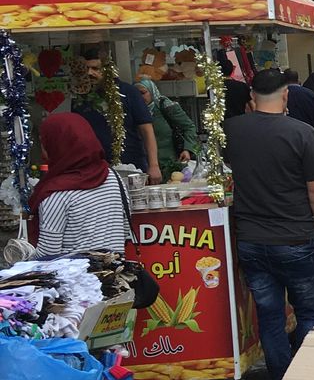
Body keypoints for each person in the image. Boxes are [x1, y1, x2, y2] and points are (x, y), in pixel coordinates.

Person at [224, 69, 314, 380]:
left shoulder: (231, 130)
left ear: (252, 96)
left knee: (269, 318)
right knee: (309, 313)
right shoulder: (302, 133)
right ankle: (309, 379)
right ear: (286, 95)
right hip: (297, 237)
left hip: (252, 240)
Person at [30, 112, 131, 254]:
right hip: (114, 266)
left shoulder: (56, 193)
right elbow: (125, 228)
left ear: (55, 145)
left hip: (73, 268)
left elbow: (48, 253)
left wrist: (22, 259)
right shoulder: (114, 177)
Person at [77, 44, 161, 184]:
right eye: (86, 69)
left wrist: (154, 165)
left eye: (95, 68)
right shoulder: (82, 98)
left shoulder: (128, 92)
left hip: (132, 166)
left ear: (108, 69)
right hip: (97, 170)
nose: (90, 73)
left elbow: (147, 130)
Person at [135, 76, 198, 181]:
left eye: (143, 93)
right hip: (144, 168)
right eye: (136, 94)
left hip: (171, 165)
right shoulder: (134, 112)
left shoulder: (165, 107)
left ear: (152, 91)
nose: (140, 97)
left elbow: (189, 127)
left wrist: (187, 149)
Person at [284, 69, 314, 141]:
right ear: (297, 79)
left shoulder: (281, 95)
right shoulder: (309, 93)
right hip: (308, 134)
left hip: (288, 135)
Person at [215, 50, 252, 120]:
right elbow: (252, 106)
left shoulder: (215, 88)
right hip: (240, 121)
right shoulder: (243, 86)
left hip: (222, 122)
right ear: (232, 69)